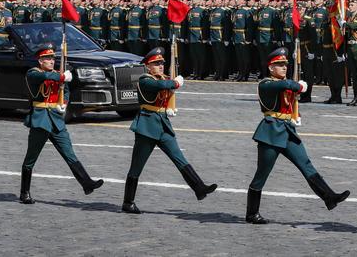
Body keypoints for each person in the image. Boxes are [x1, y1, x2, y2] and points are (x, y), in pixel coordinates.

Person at [245, 48, 349, 224]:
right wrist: (300, 86)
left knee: (306, 164)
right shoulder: (266, 84)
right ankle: (251, 213)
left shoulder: (283, 82)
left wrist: (295, 115)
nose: (284, 67)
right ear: (271, 68)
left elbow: (289, 101)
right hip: (271, 132)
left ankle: (329, 197)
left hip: (287, 130)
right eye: (279, 64)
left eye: (285, 64)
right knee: (262, 174)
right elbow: (286, 86)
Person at [122, 47, 217, 214]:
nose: (160, 66)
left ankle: (199, 187)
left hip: (162, 124)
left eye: (162, 63)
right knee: (136, 167)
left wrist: (169, 106)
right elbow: (161, 85)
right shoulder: (145, 80)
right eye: (156, 64)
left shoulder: (163, 78)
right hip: (147, 126)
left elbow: (166, 86)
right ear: (148, 66)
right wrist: (176, 83)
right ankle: (128, 202)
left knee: (179, 157)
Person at [19, 43, 103, 204]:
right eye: (47, 58)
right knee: (31, 158)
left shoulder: (57, 74)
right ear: (40, 61)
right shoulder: (33, 73)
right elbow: (45, 78)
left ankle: (87, 183)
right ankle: (25, 193)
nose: (51, 61)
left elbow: (66, 90)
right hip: (41, 119)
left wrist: (63, 102)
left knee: (69, 153)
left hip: (56, 120)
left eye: (52, 58)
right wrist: (63, 77)